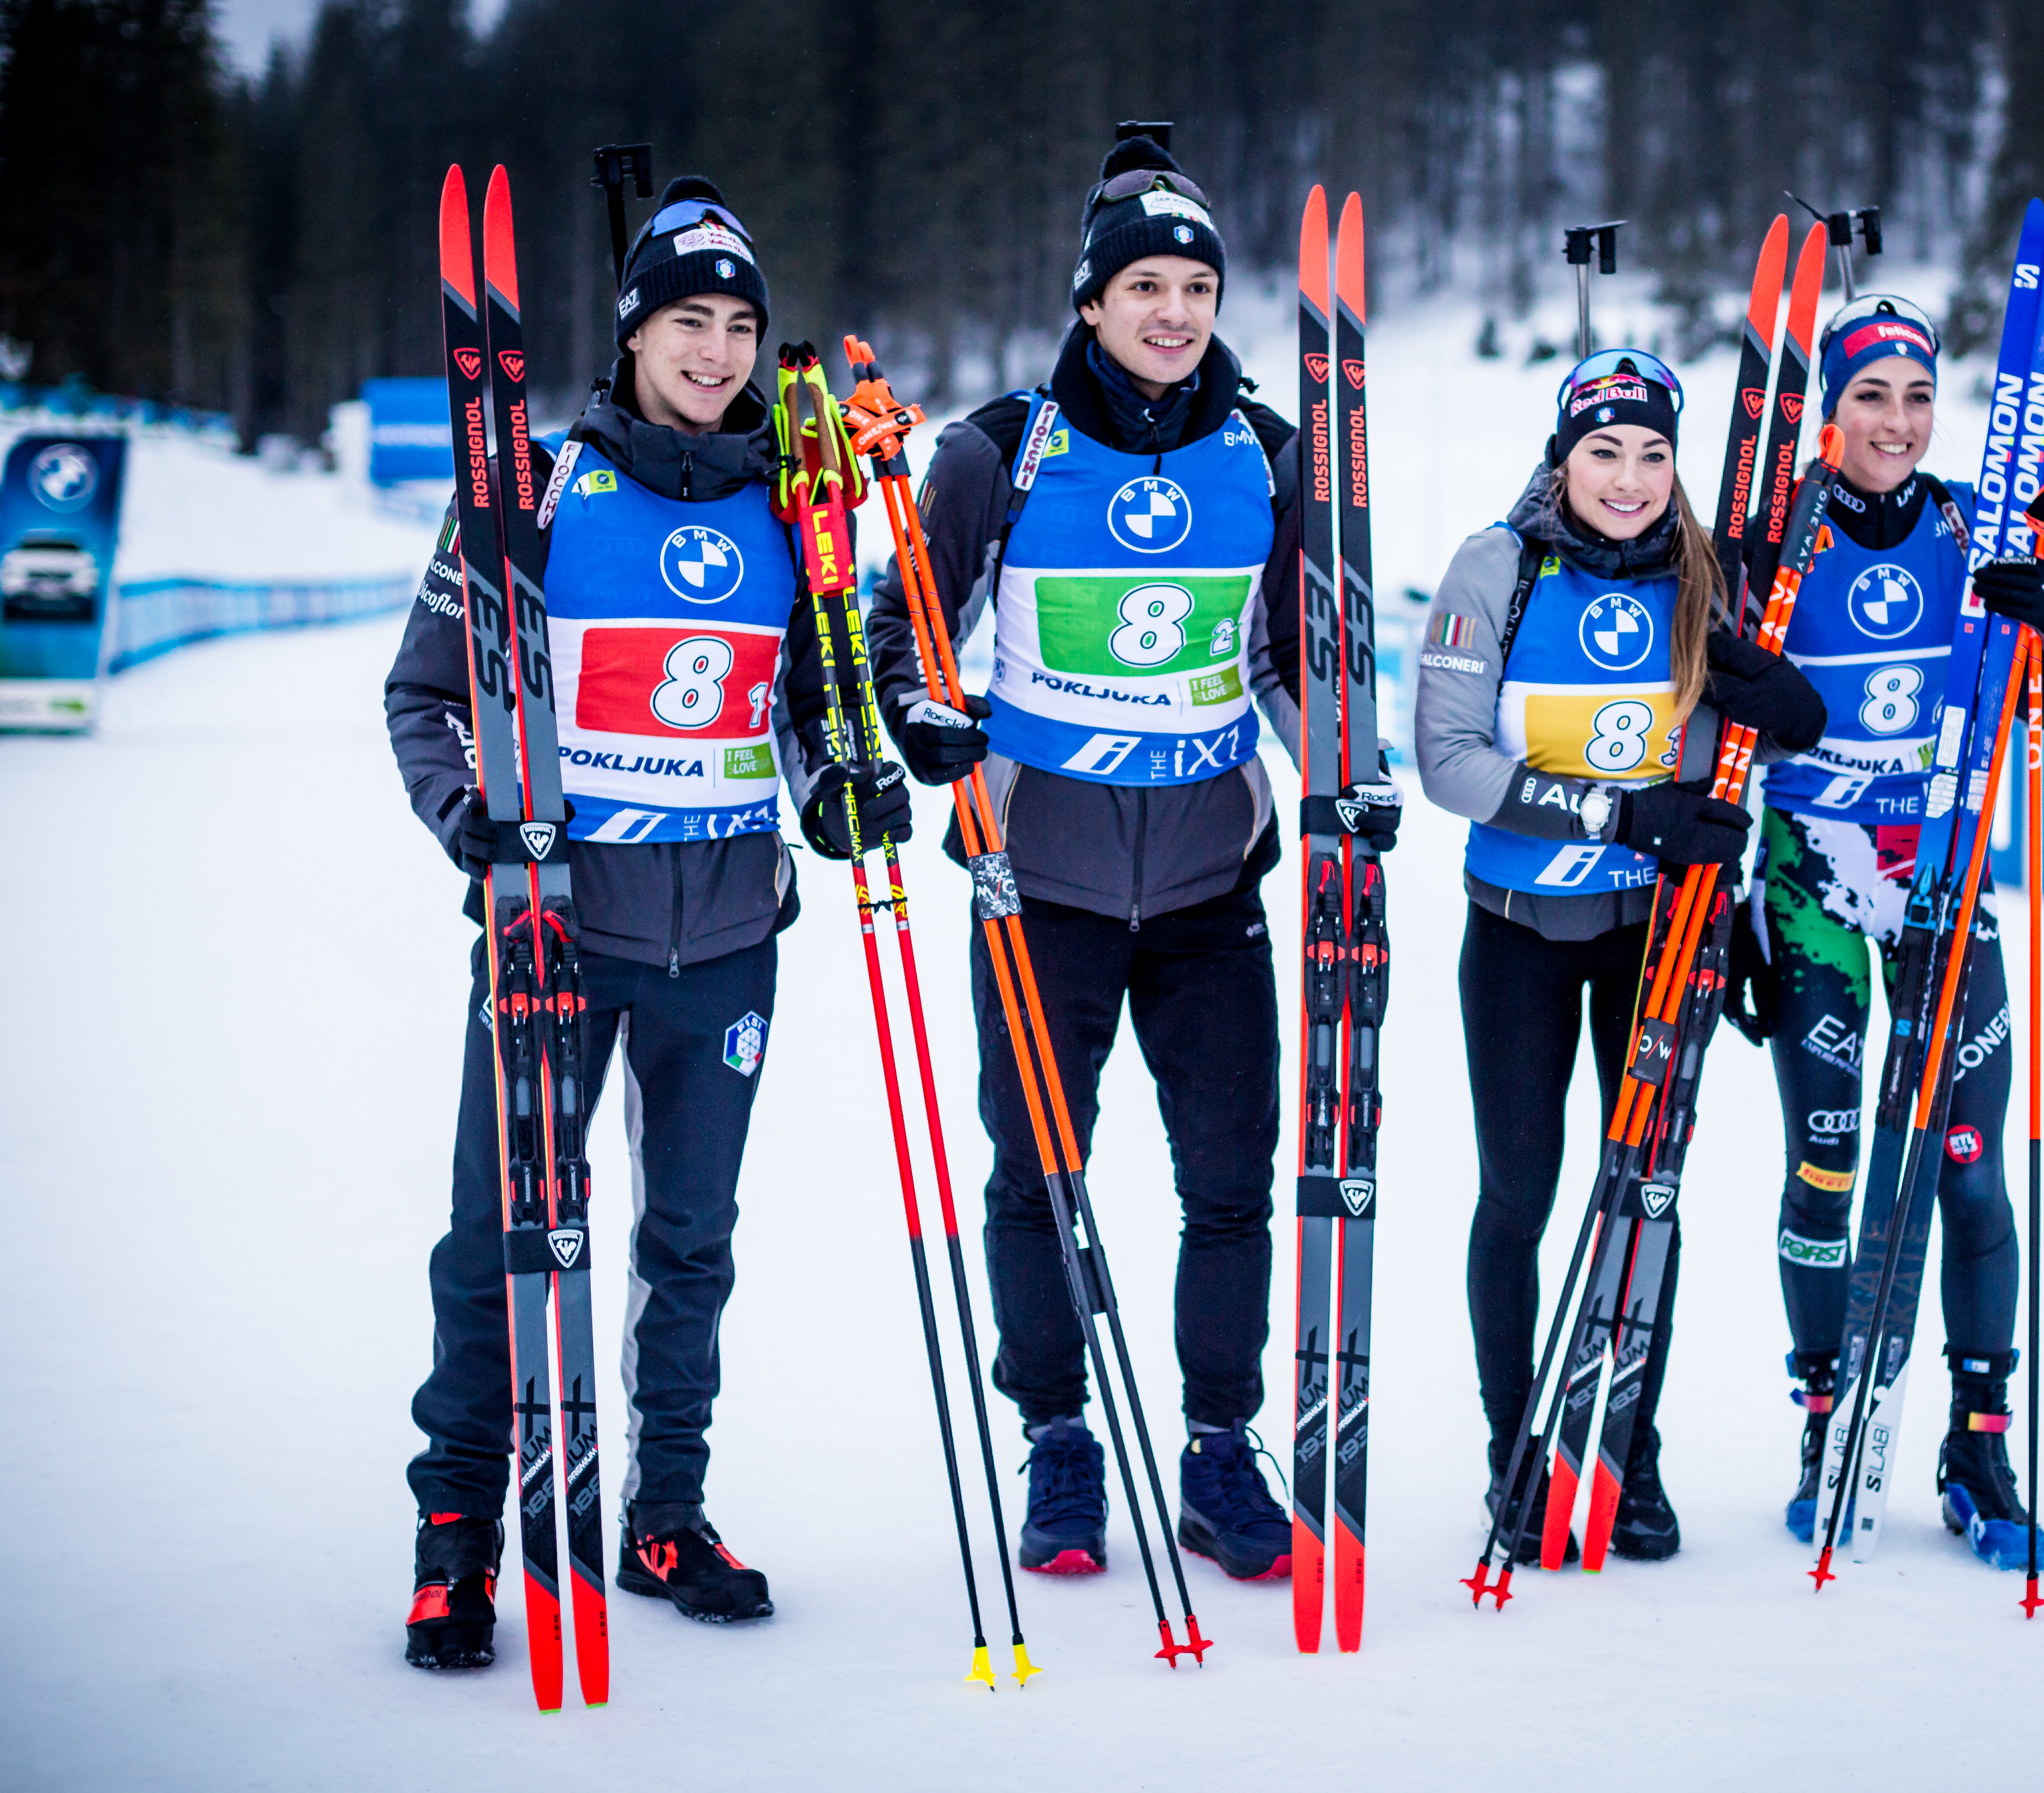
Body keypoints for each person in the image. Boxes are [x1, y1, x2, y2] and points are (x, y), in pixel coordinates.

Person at [385, 177, 910, 1667]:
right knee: (500, 1237)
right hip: (560, 934)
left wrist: (838, 793)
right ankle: (457, 1538)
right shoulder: (533, 490)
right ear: (632, 335)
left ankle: (663, 1509)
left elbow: (816, 710)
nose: (718, 350)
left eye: (741, 325)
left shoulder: (790, 511)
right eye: (689, 320)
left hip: (728, 937)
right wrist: (467, 820)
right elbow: (427, 695)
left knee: (690, 1240)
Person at [863, 127, 1357, 1586]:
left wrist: (1339, 776)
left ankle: (1217, 1448)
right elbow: (902, 625)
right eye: (1141, 284)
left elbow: (1285, 655)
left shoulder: (1269, 454)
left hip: (1210, 884)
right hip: (1043, 883)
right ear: (1090, 302)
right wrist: (918, 722)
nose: (1171, 312)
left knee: (1229, 1179)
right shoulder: (998, 448)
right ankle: (1059, 1442)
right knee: (1037, 1174)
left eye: (1193, 287)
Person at [1412, 349, 1828, 1563]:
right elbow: (1449, 762)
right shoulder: (1498, 566)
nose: (1631, 477)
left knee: (1645, 1194)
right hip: (1520, 930)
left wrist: (1759, 689)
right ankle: (1516, 1445)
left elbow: (1778, 726)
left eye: (1654, 454)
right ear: (1562, 454)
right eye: (1604, 450)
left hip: (1660, 935)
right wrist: (1618, 812)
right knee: (1522, 1193)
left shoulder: (1708, 576)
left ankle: (1623, 1445)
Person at [1725, 294, 2044, 1570]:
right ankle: (1828, 1412)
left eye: (1918, 398)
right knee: (1827, 1161)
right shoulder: (1777, 535)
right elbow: (1713, 704)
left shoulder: (1964, 526)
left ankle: (1976, 1440)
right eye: (1871, 395)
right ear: (1828, 409)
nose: (1896, 420)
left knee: (1969, 1163)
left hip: (1941, 883)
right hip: (1809, 882)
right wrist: (1730, 916)